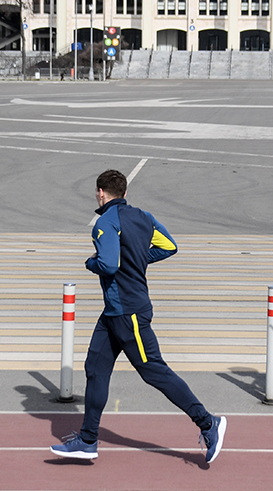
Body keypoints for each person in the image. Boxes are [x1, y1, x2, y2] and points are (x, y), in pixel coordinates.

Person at [50, 169, 227, 462]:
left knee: (155, 372)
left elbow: (107, 265)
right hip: (113, 314)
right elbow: (170, 246)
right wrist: (140, 258)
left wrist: (91, 263)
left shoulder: (104, 223)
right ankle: (88, 439)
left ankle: (208, 423)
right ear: (125, 193)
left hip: (129, 313)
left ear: (100, 193)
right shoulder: (144, 217)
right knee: (94, 368)